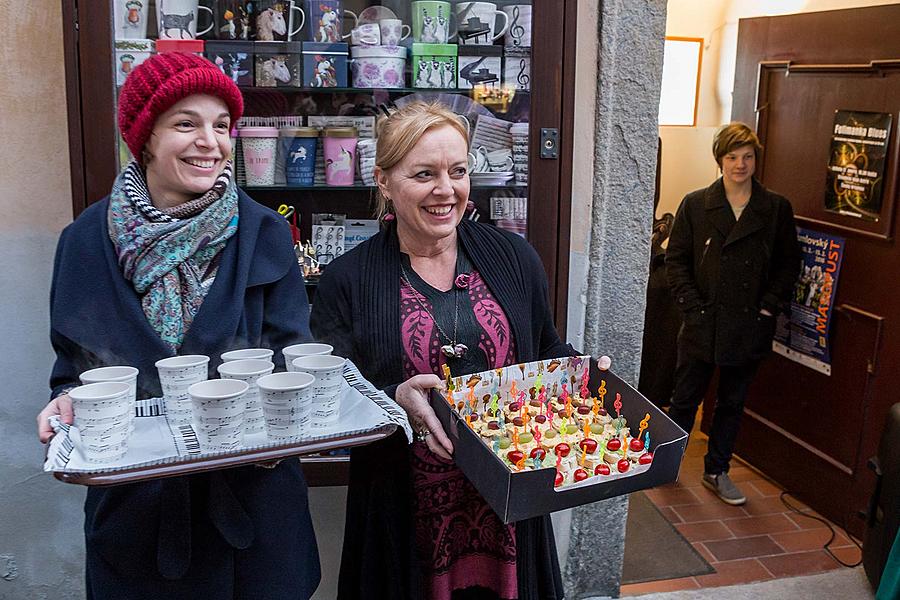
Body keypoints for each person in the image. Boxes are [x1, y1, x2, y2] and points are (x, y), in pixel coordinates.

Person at [36, 52, 320, 599]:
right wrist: (66, 402)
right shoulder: (84, 243)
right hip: (139, 526)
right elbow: (72, 368)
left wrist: (283, 433)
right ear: (144, 137)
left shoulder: (263, 233)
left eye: (221, 126)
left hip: (254, 519)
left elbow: (293, 356)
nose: (210, 142)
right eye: (185, 124)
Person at [310, 101, 569, 600]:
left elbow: (547, 350)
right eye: (424, 173)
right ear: (384, 180)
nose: (446, 190)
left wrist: (587, 373)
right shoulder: (347, 280)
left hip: (506, 509)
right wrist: (392, 399)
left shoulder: (514, 258)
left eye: (458, 171)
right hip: (405, 515)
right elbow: (330, 401)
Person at [665, 122, 800, 506]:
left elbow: (789, 265)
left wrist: (766, 307)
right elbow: (676, 262)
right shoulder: (696, 204)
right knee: (685, 397)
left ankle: (716, 470)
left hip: (748, 324)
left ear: (756, 160)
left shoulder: (774, 208)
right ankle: (666, 464)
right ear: (720, 160)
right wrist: (692, 307)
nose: (740, 164)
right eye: (732, 156)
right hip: (701, 322)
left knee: (732, 402)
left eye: (747, 156)